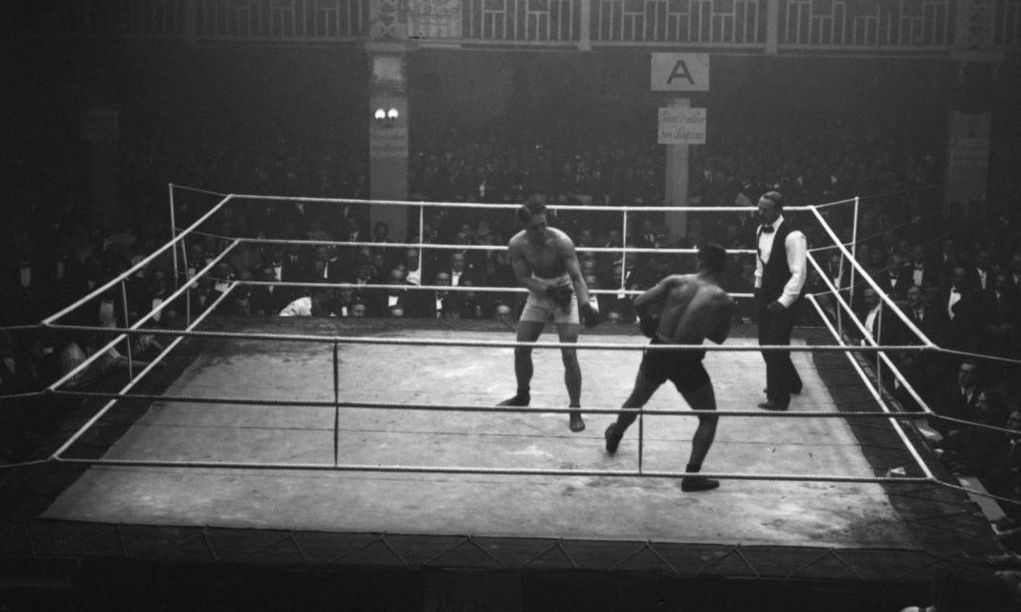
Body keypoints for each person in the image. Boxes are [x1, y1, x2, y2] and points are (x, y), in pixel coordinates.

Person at [604, 243, 734, 492]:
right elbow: (719, 338)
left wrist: (651, 324)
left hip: (659, 348)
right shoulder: (724, 299)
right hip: (686, 358)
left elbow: (640, 302)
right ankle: (691, 475)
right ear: (722, 268)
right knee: (708, 418)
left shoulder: (675, 281)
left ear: (699, 260)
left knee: (636, 398)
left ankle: (616, 433)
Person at [498, 198, 598, 432]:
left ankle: (575, 409)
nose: (541, 230)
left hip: (565, 288)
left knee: (569, 355)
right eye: (535, 227)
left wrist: (585, 305)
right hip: (540, 289)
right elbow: (523, 278)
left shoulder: (561, 241)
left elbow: (576, 277)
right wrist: (546, 289)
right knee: (521, 348)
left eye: (544, 224)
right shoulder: (516, 245)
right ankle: (523, 395)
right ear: (524, 227)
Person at [754, 191, 807, 411]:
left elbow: (799, 274)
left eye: (765, 209)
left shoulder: (794, 236)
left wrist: (783, 301)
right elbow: (760, 262)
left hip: (787, 297)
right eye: (759, 207)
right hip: (765, 293)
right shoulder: (759, 230)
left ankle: (779, 398)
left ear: (778, 210)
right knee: (765, 342)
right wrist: (757, 289)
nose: (760, 212)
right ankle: (791, 382)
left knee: (776, 343)